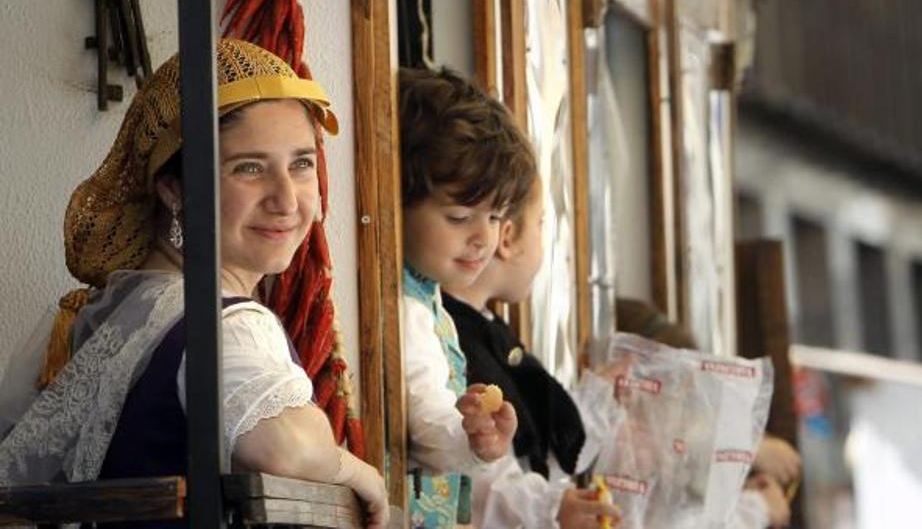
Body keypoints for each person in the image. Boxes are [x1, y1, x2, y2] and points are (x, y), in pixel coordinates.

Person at [0, 40, 388, 527]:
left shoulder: (123, 312)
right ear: (173, 189)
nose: (287, 199)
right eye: (249, 168)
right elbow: (283, 446)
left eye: (301, 163)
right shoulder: (221, 322)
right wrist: (356, 471)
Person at [443, 175, 626, 528]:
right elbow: (483, 473)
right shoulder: (458, 338)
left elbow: (538, 445)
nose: (546, 242)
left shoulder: (492, 331)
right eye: (541, 224)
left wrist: (599, 400)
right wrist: (551, 508)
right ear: (508, 239)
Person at [396, 67, 528, 527]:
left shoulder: (428, 297)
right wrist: (472, 439)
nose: (482, 239)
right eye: (458, 216)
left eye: (494, 217)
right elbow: (426, 414)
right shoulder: (405, 307)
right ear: (398, 203)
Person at [615, 298, 798, 528]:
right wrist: (755, 509)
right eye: (673, 387)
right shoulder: (612, 452)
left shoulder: (643, 473)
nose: (680, 411)